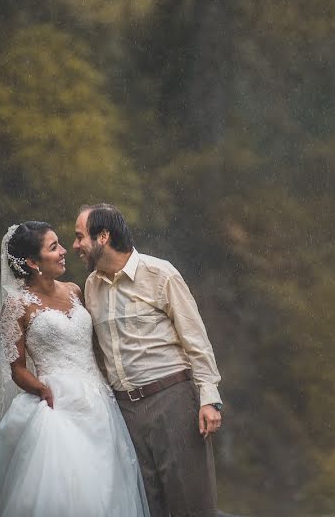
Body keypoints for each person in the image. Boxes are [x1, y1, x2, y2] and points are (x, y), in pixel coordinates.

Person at [0, 221, 149, 517]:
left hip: (99, 403)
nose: (63, 252)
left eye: (59, 244)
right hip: (57, 404)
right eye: (53, 247)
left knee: (108, 486)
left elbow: (96, 346)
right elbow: (16, 367)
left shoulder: (75, 290)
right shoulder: (17, 305)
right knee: (64, 490)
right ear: (33, 262)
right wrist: (42, 389)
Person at [73, 204, 223, 517]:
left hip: (172, 400)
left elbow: (195, 338)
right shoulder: (91, 286)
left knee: (190, 503)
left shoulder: (160, 274)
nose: (75, 245)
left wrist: (209, 399)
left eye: (79, 237)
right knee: (144, 506)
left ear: (103, 236)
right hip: (124, 412)